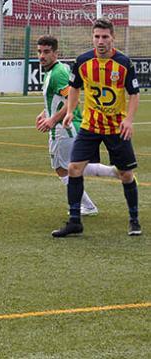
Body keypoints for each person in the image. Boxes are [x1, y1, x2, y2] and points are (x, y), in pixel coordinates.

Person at [51, 18, 141, 237]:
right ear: (93, 38)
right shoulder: (83, 61)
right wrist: (71, 111)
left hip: (115, 128)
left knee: (126, 174)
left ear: (113, 38)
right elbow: (74, 88)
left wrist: (128, 120)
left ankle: (134, 219)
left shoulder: (124, 63)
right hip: (90, 126)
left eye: (105, 37)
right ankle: (75, 221)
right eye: (97, 37)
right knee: (74, 168)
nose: (101, 41)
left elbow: (134, 94)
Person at [35, 35, 119, 216]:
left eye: (47, 52)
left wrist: (52, 120)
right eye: (40, 51)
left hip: (65, 127)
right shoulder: (55, 70)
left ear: (56, 53)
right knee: (72, 166)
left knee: (63, 168)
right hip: (69, 126)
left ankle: (88, 205)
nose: (42, 56)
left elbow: (71, 101)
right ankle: (111, 173)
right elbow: (58, 99)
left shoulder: (57, 73)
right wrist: (44, 113)